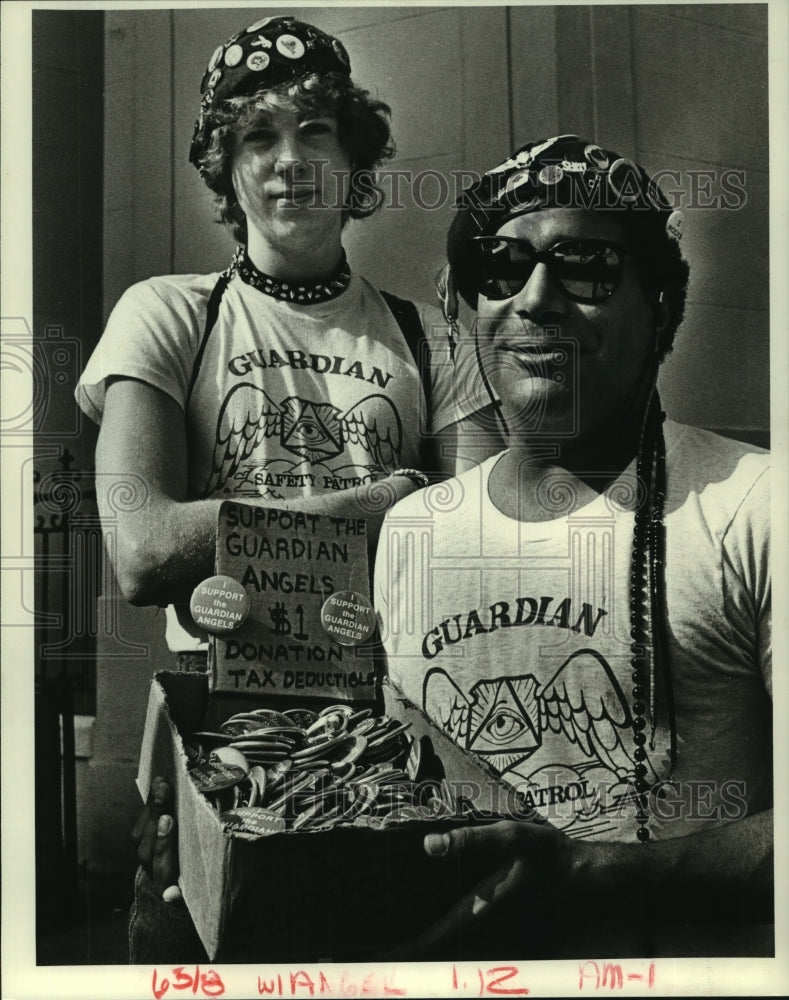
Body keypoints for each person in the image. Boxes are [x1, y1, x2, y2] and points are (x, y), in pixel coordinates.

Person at [75, 15, 493, 962]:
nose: (289, 162)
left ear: (355, 157)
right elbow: (141, 549)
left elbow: (479, 553)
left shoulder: (429, 338)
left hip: (389, 753)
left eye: (315, 131)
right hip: (215, 749)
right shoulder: (168, 313)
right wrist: (375, 501)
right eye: (257, 137)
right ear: (224, 168)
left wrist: (228, 524)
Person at [374, 134, 773, 959]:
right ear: (463, 308)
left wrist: (598, 872)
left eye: (586, 267)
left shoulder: (752, 506)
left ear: (661, 309)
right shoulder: (410, 534)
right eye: (500, 268)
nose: (536, 298)